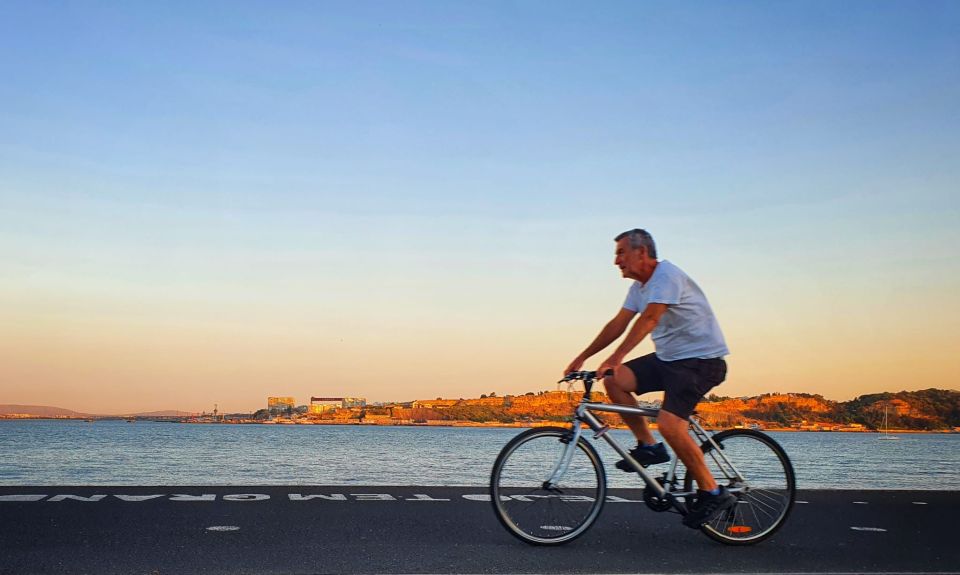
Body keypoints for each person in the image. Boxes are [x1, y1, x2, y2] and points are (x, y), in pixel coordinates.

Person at [564, 228, 734, 528]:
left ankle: (712, 490)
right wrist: (582, 357)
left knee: (670, 425)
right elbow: (617, 324)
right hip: (669, 359)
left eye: (621, 253)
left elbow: (650, 318)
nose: (616, 261)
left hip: (700, 361)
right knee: (615, 381)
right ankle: (649, 446)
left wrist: (615, 358)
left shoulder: (667, 275)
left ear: (641, 253)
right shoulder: (639, 288)